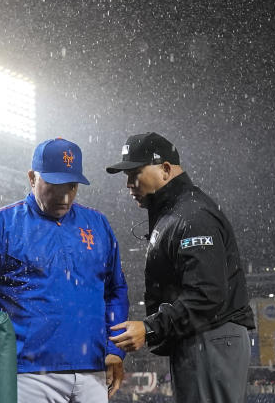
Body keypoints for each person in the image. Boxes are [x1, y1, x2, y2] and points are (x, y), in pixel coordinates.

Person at [105, 132, 255, 403]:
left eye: (135, 173)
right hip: (199, 337)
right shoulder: (175, 212)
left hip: (212, 336)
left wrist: (151, 328)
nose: (128, 184)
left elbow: (206, 294)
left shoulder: (192, 214)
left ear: (165, 169)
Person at [0, 137, 129, 402]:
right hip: (26, 373)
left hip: (93, 370)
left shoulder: (98, 224)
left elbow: (115, 291)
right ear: (32, 178)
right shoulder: (1, 224)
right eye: (55, 185)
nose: (65, 196)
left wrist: (115, 349)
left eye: (72, 186)